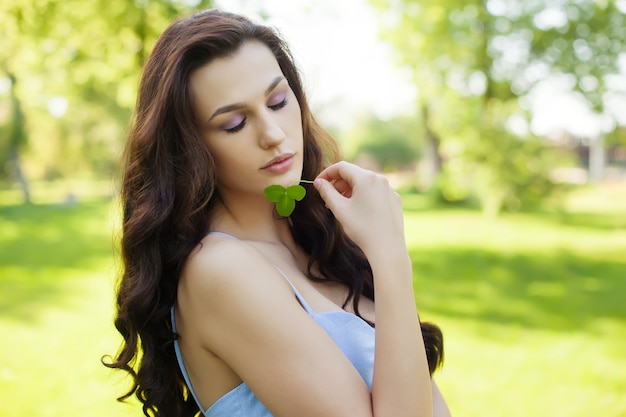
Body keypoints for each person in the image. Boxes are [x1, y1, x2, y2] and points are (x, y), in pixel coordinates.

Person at [104, 9, 450, 417]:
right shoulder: (220, 269)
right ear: (190, 149)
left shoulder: (319, 244)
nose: (273, 133)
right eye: (234, 123)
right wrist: (390, 254)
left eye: (278, 100)